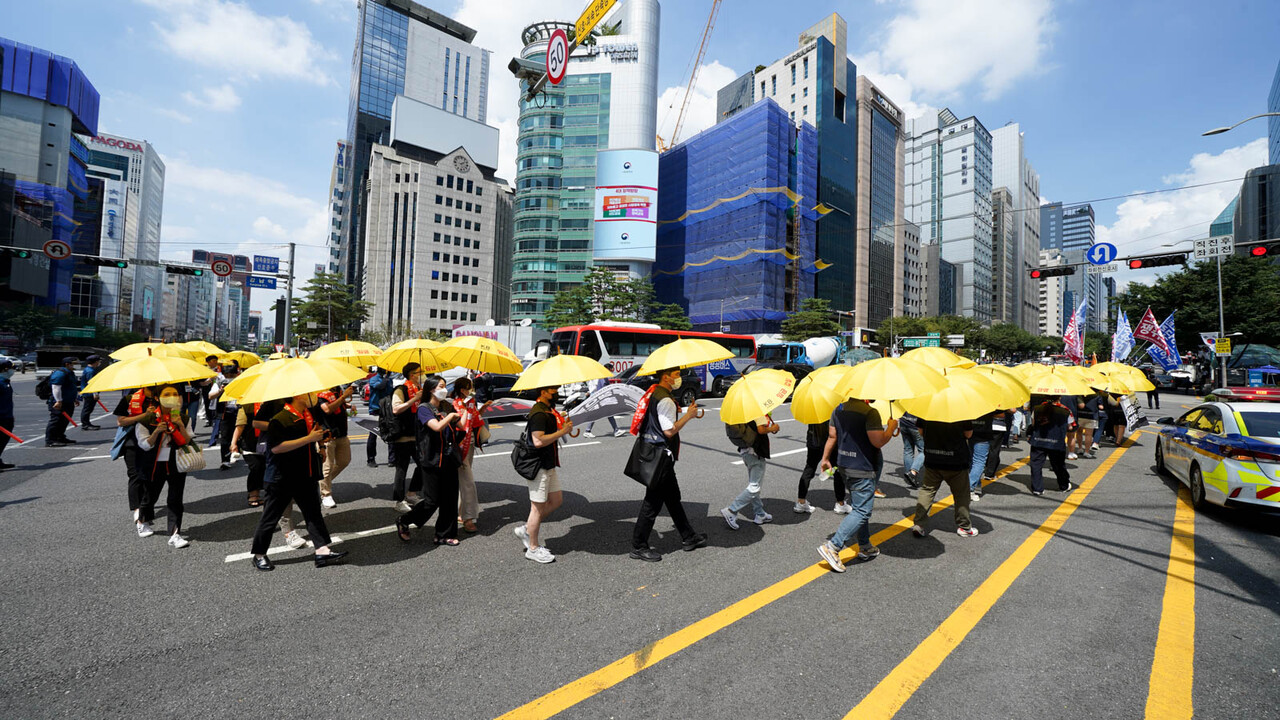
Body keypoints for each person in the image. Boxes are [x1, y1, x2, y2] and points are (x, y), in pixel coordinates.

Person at [249, 392, 348, 571]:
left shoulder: (308, 413)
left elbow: (316, 431)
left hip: (305, 473)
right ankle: (259, 555)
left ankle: (322, 550)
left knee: (313, 512)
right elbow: (277, 448)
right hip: (281, 476)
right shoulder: (280, 418)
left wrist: (322, 444)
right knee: (270, 517)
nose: (312, 395)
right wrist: (309, 439)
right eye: (308, 393)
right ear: (297, 396)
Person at [629, 368, 708, 562]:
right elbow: (669, 431)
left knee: (673, 498)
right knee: (652, 503)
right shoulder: (664, 399)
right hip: (660, 457)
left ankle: (688, 537)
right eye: (676, 374)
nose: (679, 378)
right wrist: (688, 416)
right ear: (666, 377)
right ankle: (639, 546)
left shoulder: (654, 392)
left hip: (657, 454)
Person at [816, 399, 898, 573]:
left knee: (859, 507)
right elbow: (878, 441)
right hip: (862, 467)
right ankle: (833, 546)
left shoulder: (838, 409)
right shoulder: (869, 412)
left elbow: (832, 436)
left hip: (844, 464)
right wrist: (890, 428)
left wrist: (825, 459)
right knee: (863, 511)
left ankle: (865, 545)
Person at [395, 375, 464, 547]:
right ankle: (404, 520)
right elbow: (436, 426)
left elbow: (459, 428)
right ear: (432, 389)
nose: (444, 389)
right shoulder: (424, 408)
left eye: (445, 385)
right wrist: (450, 417)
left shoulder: (446, 406)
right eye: (441, 386)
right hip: (431, 459)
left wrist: (462, 414)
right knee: (432, 500)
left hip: (449, 458)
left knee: (449, 499)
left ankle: (444, 534)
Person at [513, 386, 573, 563]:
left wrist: (563, 423)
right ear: (543, 392)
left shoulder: (549, 410)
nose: (556, 392)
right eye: (552, 389)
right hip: (538, 465)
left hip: (549, 463)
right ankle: (532, 547)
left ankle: (527, 528)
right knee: (537, 508)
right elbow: (538, 440)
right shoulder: (538, 413)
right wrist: (562, 432)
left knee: (556, 500)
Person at [134, 385, 195, 548]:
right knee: (150, 496)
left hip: (176, 461)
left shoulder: (184, 418)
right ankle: (142, 520)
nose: (172, 397)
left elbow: (189, 441)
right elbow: (144, 445)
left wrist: (180, 425)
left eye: (175, 394)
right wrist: (156, 432)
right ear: (157, 397)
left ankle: (175, 534)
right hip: (153, 463)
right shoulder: (147, 419)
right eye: (167, 394)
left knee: (175, 498)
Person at [909, 418, 977, 538]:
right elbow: (968, 434)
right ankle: (964, 526)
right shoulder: (961, 410)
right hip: (956, 461)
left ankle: (919, 524)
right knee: (961, 494)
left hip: (932, 457)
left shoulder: (928, 408)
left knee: (927, 490)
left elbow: (920, 431)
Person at [721, 415, 780, 528]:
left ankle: (760, 514)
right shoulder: (757, 411)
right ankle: (731, 510)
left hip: (746, 451)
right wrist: (773, 428)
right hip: (755, 453)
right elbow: (761, 430)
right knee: (755, 487)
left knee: (753, 484)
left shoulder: (745, 411)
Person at [115, 386, 160, 533]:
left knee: (151, 478)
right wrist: (144, 415)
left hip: (154, 442)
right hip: (132, 442)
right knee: (135, 475)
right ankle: (138, 510)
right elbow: (121, 421)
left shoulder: (160, 398)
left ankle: (145, 508)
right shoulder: (129, 399)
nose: (154, 388)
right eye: (151, 387)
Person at [451, 376, 490, 533]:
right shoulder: (454, 404)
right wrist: (466, 411)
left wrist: (482, 409)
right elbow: (460, 424)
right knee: (468, 482)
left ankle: (461, 512)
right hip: (460, 447)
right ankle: (468, 518)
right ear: (462, 389)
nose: (471, 390)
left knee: (464, 480)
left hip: (471, 444)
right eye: (469, 387)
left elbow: (474, 421)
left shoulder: (470, 402)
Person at [390, 362, 427, 512]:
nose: (422, 374)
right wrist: (414, 399)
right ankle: (398, 501)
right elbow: (396, 409)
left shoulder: (419, 389)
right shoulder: (401, 389)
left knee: (424, 465)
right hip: (402, 437)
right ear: (412, 375)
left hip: (417, 435)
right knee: (401, 469)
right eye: (420, 372)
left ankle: (411, 493)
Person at [795, 420, 847, 514]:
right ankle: (840, 504)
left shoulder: (813, 409)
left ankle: (801, 502)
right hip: (831, 445)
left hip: (813, 442)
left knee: (809, 469)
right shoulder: (831, 410)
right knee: (838, 472)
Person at [315, 385, 354, 508]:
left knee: (344, 461)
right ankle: (326, 494)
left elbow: (339, 407)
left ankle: (322, 483)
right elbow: (327, 409)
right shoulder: (320, 394)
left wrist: (348, 405)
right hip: (328, 435)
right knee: (327, 467)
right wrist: (343, 397)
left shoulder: (337, 392)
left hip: (342, 434)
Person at [1029, 394, 1074, 496]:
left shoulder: (1037, 409)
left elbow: (1033, 423)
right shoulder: (1066, 411)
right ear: (1059, 398)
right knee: (1058, 465)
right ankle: (1064, 485)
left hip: (1038, 440)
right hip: (1056, 441)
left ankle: (1037, 488)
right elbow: (1070, 427)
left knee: (1036, 464)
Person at [230, 402, 266, 507]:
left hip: (269, 441)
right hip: (250, 443)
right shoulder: (246, 405)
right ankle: (253, 493)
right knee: (256, 467)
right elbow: (240, 425)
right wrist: (233, 443)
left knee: (266, 467)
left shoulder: (274, 402)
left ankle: (269, 493)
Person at [208, 360, 241, 469]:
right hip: (225, 412)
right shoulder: (219, 382)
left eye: (232, 375)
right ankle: (225, 460)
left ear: (237, 374)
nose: (229, 378)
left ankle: (235, 450)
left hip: (240, 411)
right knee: (225, 436)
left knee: (239, 435)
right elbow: (210, 396)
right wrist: (220, 391)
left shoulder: (242, 381)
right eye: (227, 375)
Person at [46, 356, 81, 446]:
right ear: (67, 364)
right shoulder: (60, 373)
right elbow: (56, 387)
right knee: (56, 420)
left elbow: (71, 387)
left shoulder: (70, 372)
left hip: (68, 401)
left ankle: (60, 437)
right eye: (75, 364)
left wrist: (75, 398)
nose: (77, 365)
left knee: (64, 421)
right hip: (59, 402)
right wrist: (58, 401)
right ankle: (50, 440)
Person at [365, 367, 393, 468]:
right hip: (375, 409)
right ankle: (371, 459)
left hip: (386, 409)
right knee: (373, 435)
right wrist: (386, 379)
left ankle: (392, 459)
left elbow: (390, 391)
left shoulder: (389, 380)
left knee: (391, 433)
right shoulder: (374, 379)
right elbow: (380, 386)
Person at [967, 410, 996, 500]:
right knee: (979, 462)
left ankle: (976, 485)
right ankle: (969, 488)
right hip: (983, 434)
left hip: (969, 432)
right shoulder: (989, 401)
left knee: (973, 461)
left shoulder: (969, 399)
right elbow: (1001, 414)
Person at [983, 409, 1013, 479]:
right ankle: (989, 473)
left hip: (985, 425)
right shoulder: (1002, 401)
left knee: (987, 448)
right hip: (998, 426)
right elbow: (1013, 410)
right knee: (994, 449)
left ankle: (987, 468)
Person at [898, 412, 925, 489]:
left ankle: (908, 474)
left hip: (904, 422)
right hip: (915, 425)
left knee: (908, 450)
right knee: (924, 451)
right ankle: (912, 472)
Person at [79, 355, 103, 430]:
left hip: (88, 392)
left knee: (88, 409)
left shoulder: (88, 369)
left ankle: (87, 423)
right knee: (87, 409)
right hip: (89, 393)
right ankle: (85, 424)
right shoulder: (90, 371)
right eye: (99, 361)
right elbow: (91, 383)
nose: (99, 362)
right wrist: (95, 394)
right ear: (96, 362)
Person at [0, 359, 15, 470]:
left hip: (7, 415)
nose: (12, 370)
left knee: (3, 440)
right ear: (5, 369)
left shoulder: (5, 381)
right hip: (1, 416)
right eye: (11, 368)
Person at [199, 355, 220, 426]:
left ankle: (216, 419)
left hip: (217, 389)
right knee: (207, 404)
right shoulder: (204, 370)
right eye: (213, 361)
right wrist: (210, 379)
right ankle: (209, 419)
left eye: (216, 361)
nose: (215, 362)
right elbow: (201, 382)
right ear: (208, 362)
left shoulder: (219, 369)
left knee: (217, 404)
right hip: (207, 390)